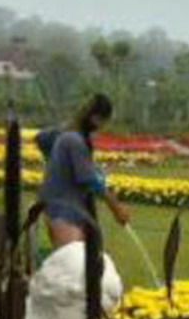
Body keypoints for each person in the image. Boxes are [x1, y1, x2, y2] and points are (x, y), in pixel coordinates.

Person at [35, 93, 130, 248]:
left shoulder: (67, 134)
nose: (102, 127)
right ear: (95, 118)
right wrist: (116, 208)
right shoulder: (74, 141)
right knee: (71, 263)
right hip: (64, 213)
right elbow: (91, 182)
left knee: (76, 261)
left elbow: (41, 138)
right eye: (103, 122)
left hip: (59, 209)